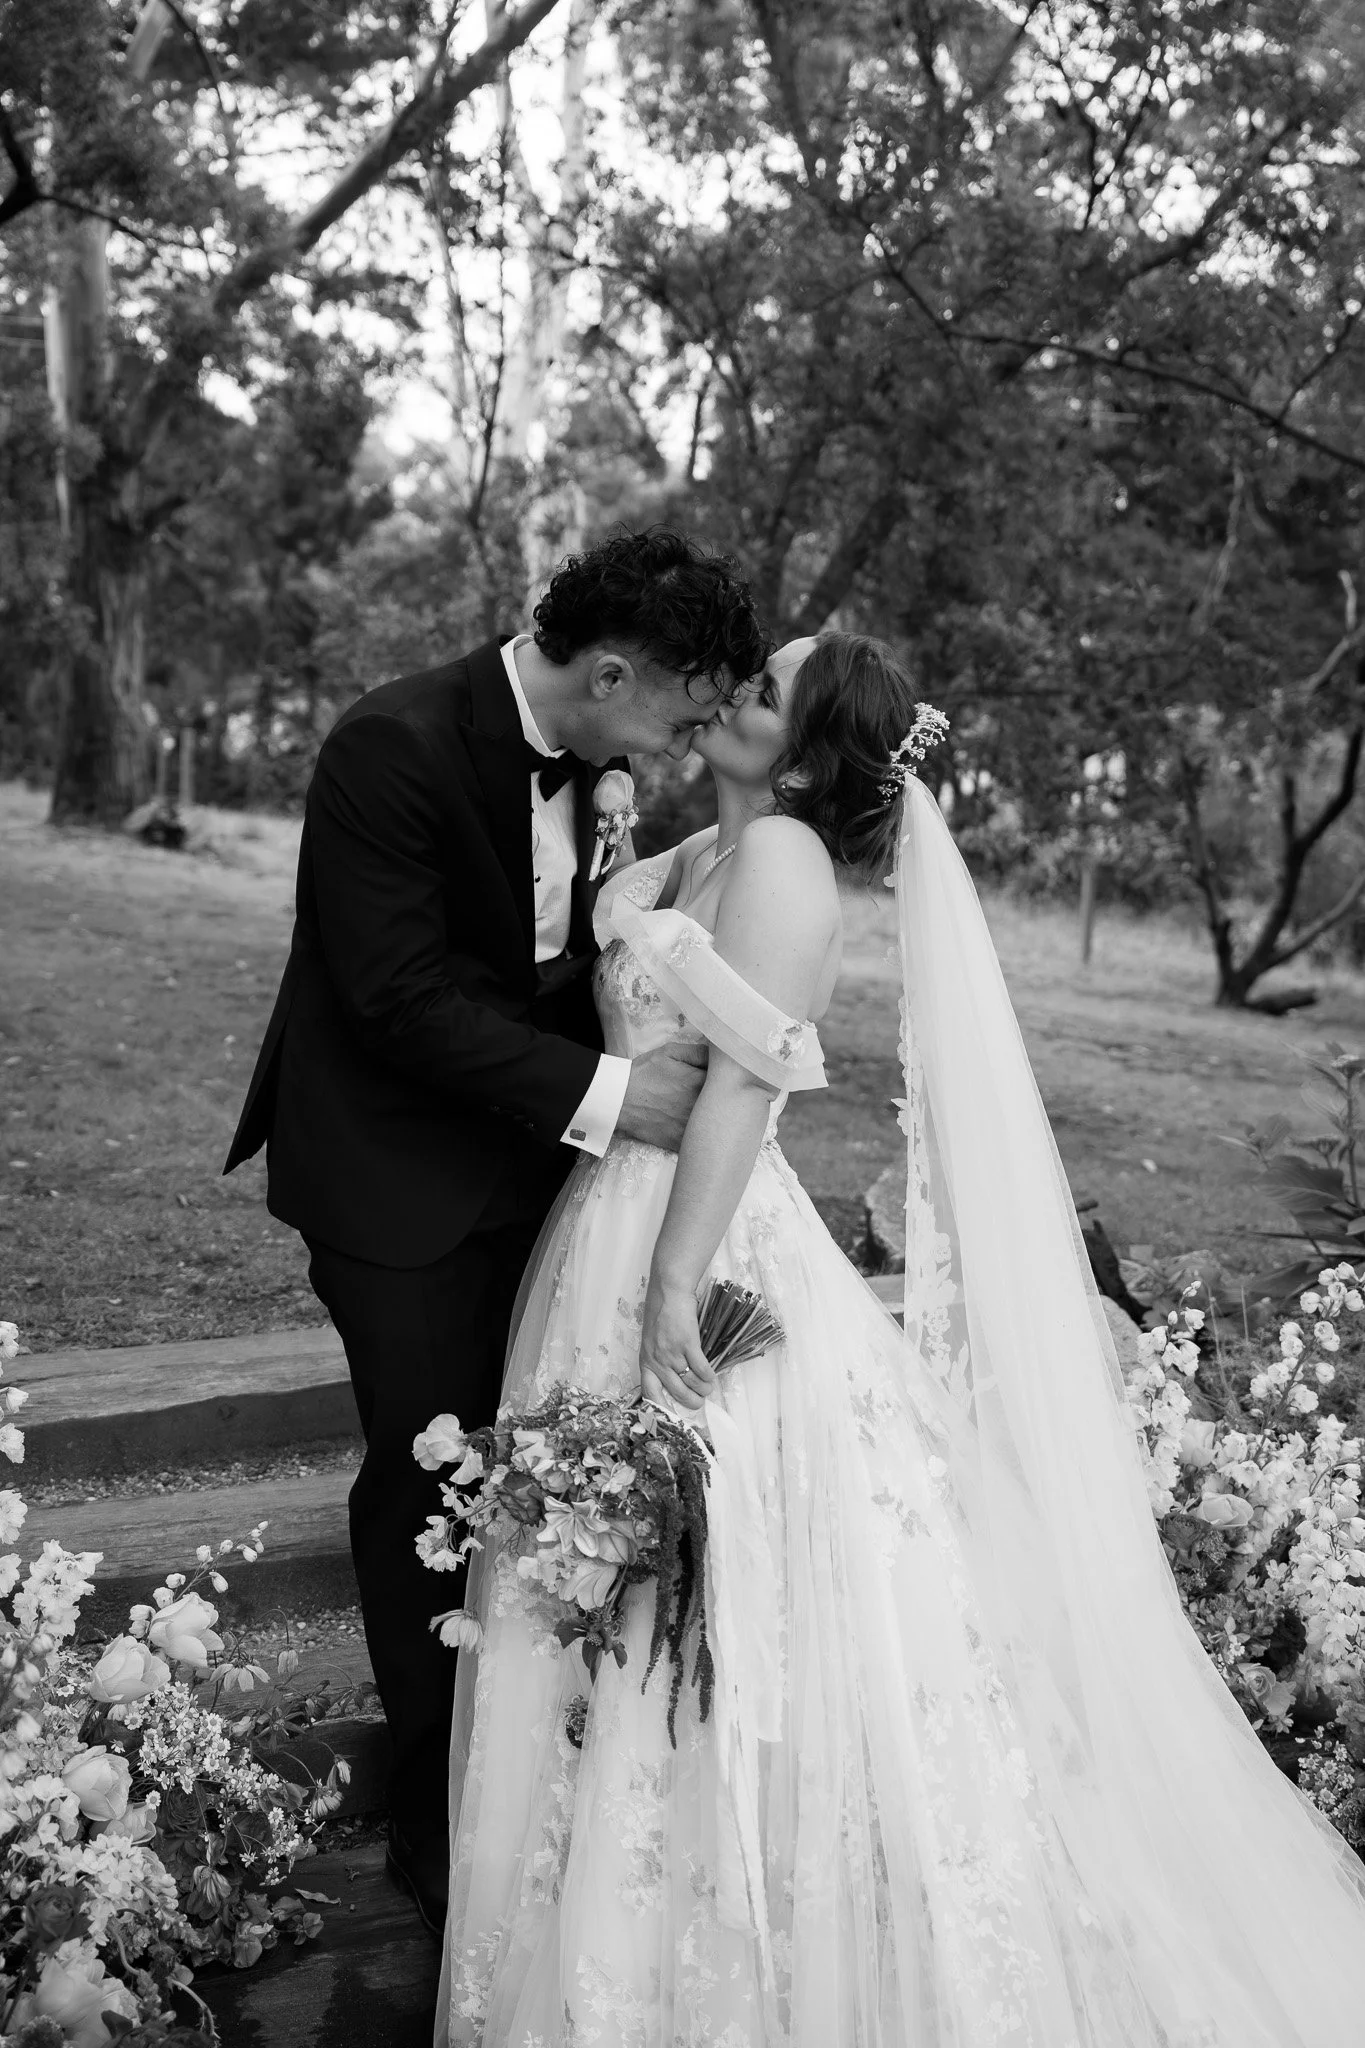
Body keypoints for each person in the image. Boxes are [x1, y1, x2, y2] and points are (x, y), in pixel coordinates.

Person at [436, 633, 1365, 2046]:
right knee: (611, 1580)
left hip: (695, 1239)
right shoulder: (706, 849)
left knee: (686, 1586)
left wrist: (676, 1282)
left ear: (806, 752)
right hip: (613, 1215)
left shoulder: (789, 864)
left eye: (766, 687)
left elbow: (747, 1087)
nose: (737, 688)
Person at [222, 529, 769, 1935]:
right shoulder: (385, 747)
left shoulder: (605, 764)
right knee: (431, 1471)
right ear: (607, 672)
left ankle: (534, 1749)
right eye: (686, 707)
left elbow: (569, 960)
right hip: (390, 1179)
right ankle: (430, 1799)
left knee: (540, 1454)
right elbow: (397, 999)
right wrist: (616, 1095)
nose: (696, 733)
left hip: (537, 1171)